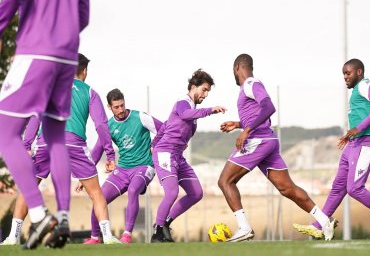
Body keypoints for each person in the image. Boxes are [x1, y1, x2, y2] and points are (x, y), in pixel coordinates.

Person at [0, 0, 89, 249]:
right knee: (55, 137)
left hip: (36, 49)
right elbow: (83, 14)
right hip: (67, 56)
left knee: (4, 133)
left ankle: (39, 216)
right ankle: (62, 219)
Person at [0, 54, 121, 246]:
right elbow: (101, 125)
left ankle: (12, 237)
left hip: (46, 143)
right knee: (96, 193)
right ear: (84, 71)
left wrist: (26, 145)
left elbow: (35, 118)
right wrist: (110, 154)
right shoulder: (90, 92)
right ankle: (107, 236)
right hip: (74, 145)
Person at [217, 54, 336, 242]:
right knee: (286, 188)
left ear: (237, 67)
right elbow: (260, 114)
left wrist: (246, 131)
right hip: (268, 139)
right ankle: (324, 220)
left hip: (259, 140)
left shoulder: (249, 84)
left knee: (225, 181)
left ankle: (244, 227)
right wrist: (239, 124)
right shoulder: (251, 85)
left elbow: (269, 107)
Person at [293, 58, 370, 240]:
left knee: (354, 188)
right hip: (354, 143)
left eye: (348, 73)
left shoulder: (365, 85)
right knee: (338, 187)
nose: (345, 77)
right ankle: (320, 225)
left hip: (366, 143)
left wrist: (360, 128)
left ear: (359, 72)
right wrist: (357, 130)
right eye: (343, 74)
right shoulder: (357, 91)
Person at [150, 69, 226, 243]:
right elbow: (184, 115)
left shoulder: (193, 110)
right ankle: (157, 233)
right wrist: (210, 110)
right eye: (204, 90)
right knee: (172, 192)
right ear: (193, 87)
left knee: (196, 193)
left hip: (178, 156)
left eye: (208, 91)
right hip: (165, 153)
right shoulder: (183, 103)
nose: (205, 95)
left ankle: (165, 223)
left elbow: (166, 126)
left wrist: (153, 144)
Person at [82, 88, 163, 244]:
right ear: (109, 107)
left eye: (122, 105)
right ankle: (94, 237)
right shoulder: (109, 126)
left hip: (144, 166)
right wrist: (84, 176)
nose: (120, 110)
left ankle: (126, 235)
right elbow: (98, 150)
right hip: (123, 169)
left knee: (133, 190)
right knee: (99, 198)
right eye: (116, 107)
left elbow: (164, 128)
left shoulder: (140, 117)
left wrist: (154, 144)